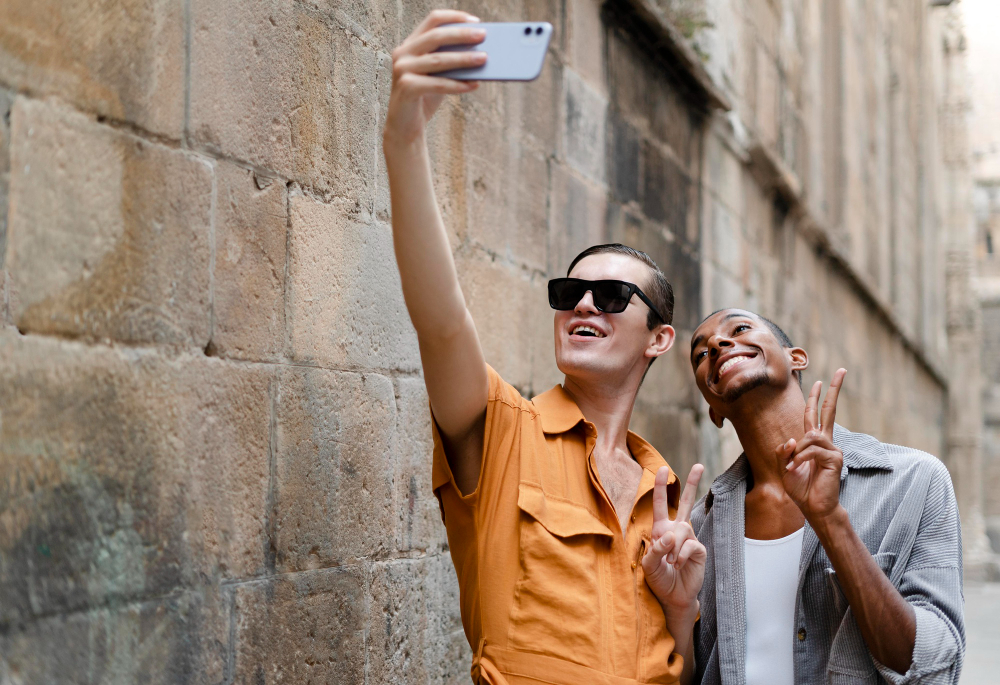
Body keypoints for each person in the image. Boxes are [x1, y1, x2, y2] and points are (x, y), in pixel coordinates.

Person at [383, 10, 706, 684]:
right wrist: (404, 139)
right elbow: (442, 322)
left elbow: (678, 667)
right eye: (569, 291)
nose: (583, 304)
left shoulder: (665, 490)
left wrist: (682, 611)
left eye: (613, 297)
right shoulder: (502, 431)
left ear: (660, 339)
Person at [684, 308, 965, 684]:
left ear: (795, 358)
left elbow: (933, 666)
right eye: (701, 354)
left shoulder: (916, 481)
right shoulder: (701, 527)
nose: (717, 345)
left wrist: (830, 521)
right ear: (713, 410)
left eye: (740, 328)